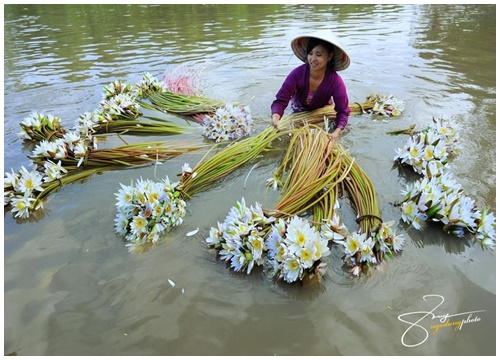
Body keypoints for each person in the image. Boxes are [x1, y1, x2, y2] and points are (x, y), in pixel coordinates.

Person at [271, 30, 351, 143]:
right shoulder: (297, 74)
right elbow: (280, 101)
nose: (312, 59)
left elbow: (343, 111)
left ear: (329, 56)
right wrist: (276, 118)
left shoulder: (335, 81)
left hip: (322, 114)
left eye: (318, 55)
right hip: (298, 111)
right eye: (310, 53)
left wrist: (336, 132)